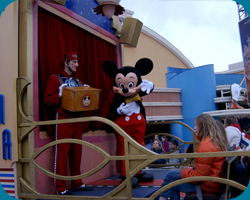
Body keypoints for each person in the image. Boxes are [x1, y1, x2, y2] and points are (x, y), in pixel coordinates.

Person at [43, 52, 93, 195]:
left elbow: (85, 103)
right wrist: (59, 95)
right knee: (62, 153)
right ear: (66, 62)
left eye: (77, 62)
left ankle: (76, 183)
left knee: (77, 152)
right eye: (74, 62)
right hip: (63, 117)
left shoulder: (79, 82)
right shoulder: (55, 79)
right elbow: (47, 100)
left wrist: (87, 93)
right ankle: (60, 187)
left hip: (77, 119)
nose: (77, 65)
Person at [159, 114, 229, 200]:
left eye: (196, 125)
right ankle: (162, 197)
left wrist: (185, 171)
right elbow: (208, 167)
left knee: (171, 180)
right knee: (170, 177)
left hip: (208, 184)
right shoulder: (213, 142)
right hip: (213, 182)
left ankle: (161, 198)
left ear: (202, 126)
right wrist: (194, 167)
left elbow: (197, 177)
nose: (194, 128)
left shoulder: (206, 146)